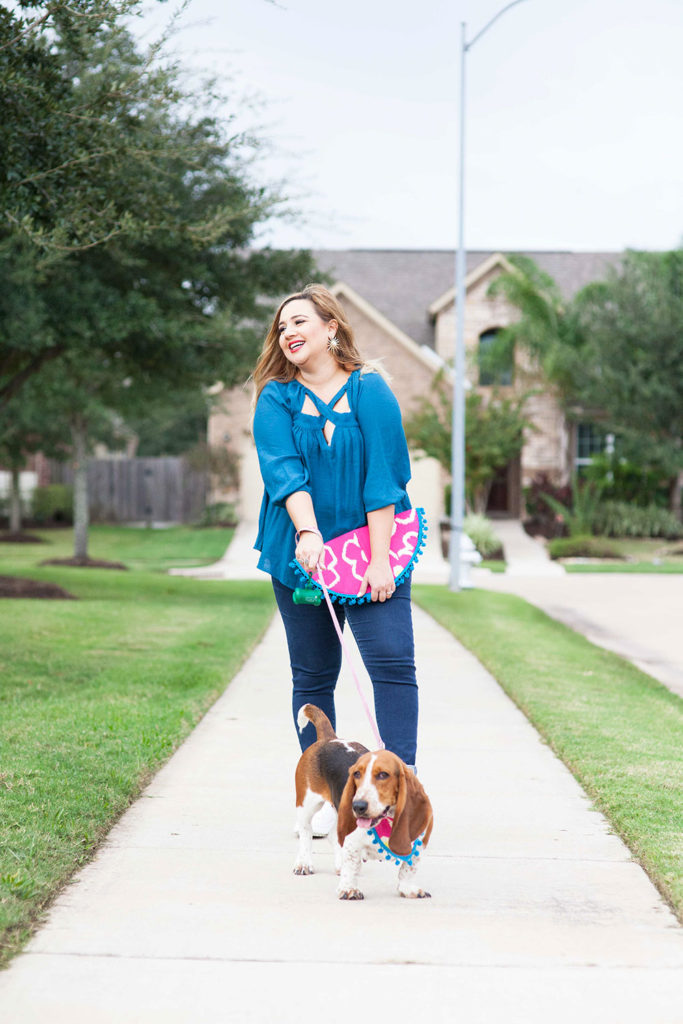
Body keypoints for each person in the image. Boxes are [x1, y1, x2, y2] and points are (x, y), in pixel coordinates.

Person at [251, 283, 420, 781]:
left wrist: (381, 557)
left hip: (375, 551)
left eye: (299, 322)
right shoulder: (276, 399)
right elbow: (283, 472)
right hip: (302, 556)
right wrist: (307, 533)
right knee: (313, 675)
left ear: (331, 328)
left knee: (391, 662)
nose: (288, 333)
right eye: (281, 327)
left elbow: (385, 475)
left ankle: (400, 781)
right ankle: (329, 788)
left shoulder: (370, 389)